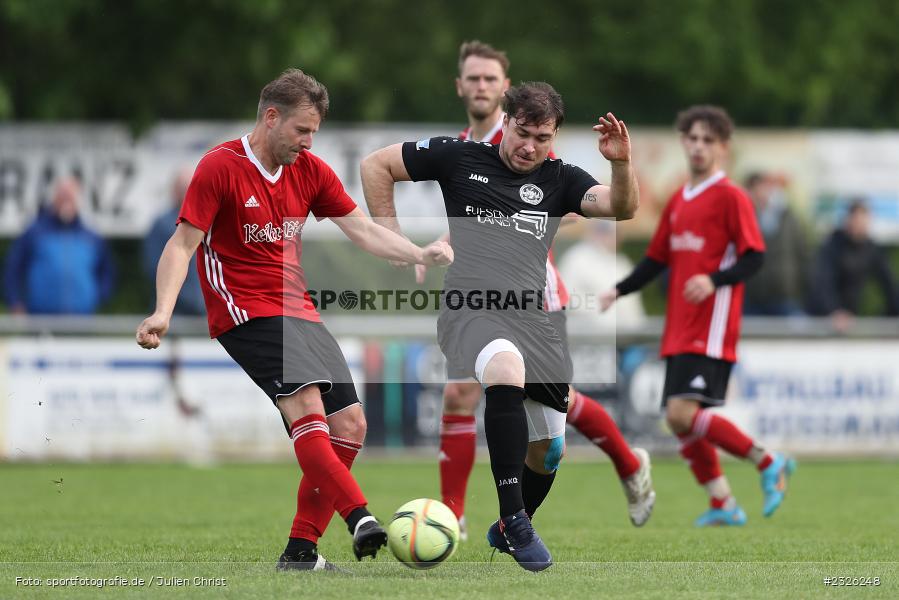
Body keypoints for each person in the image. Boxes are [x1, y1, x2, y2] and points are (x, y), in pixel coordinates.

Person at [135, 68, 452, 571]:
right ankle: (360, 517)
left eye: (314, 132)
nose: (308, 141)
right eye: (302, 130)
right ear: (271, 117)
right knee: (306, 406)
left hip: (298, 309)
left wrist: (418, 251)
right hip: (244, 310)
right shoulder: (220, 167)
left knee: (350, 424)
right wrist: (162, 311)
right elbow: (181, 245)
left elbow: (361, 230)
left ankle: (301, 552)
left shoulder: (310, 170)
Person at [362, 81, 639, 571]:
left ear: (554, 138)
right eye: (523, 133)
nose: (530, 146)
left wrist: (620, 164)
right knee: (505, 370)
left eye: (543, 138)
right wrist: (393, 237)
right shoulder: (459, 157)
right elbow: (375, 165)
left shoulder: (561, 178)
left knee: (549, 449)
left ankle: (510, 524)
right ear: (505, 122)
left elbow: (622, 208)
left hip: (533, 318)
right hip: (470, 309)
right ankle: (515, 520)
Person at [427, 41, 653, 540]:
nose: (481, 86)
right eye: (473, 78)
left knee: (554, 408)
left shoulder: (530, 142)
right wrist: (441, 243)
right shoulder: (461, 147)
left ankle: (627, 462)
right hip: (480, 298)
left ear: (504, 89)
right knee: (462, 393)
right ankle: (452, 517)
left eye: (490, 79)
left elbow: (569, 207)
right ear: (459, 86)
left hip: (538, 296)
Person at [601, 105, 795, 527]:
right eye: (692, 138)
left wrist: (713, 280)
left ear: (723, 148)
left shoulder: (731, 196)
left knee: (681, 414)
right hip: (679, 325)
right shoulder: (677, 201)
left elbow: (754, 256)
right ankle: (723, 502)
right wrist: (619, 289)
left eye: (708, 140)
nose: (698, 147)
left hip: (711, 324)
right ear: (683, 142)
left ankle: (768, 461)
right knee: (677, 419)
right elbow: (656, 259)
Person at [4, 176, 115, 314]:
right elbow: (13, 268)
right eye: (62, 196)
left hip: (82, 318)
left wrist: (98, 296)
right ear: (54, 198)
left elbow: (107, 271)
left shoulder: (91, 237)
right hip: (40, 316)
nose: (66, 201)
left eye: (70, 197)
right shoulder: (35, 233)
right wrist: (15, 301)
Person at [808, 199, 899, 331]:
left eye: (863, 221)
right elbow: (823, 283)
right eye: (856, 220)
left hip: (849, 319)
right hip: (824, 319)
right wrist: (834, 311)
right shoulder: (833, 245)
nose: (859, 225)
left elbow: (888, 283)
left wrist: (894, 311)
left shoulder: (871, 249)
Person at [558, 218, 646, 331]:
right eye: (604, 230)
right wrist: (602, 316)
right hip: (587, 335)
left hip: (624, 336)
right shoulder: (576, 259)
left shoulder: (622, 263)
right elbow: (567, 299)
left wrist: (636, 329)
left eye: (615, 232)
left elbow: (633, 306)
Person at [742, 172, 809, 316]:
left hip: (785, 296)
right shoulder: (745, 217)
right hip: (752, 296)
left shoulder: (788, 217)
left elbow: (802, 255)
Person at [141, 166, 205, 315]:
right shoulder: (162, 225)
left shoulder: (210, 221)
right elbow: (154, 267)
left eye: (191, 187)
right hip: (175, 311)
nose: (187, 192)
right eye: (183, 188)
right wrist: (192, 299)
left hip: (206, 311)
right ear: (174, 191)